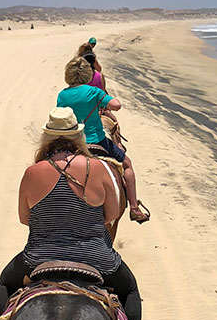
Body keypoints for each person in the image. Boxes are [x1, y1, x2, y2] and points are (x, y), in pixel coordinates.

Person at [0, 107, 149, 320]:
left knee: (5, 282)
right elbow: (111, 214)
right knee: (130, 288)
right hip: (97, 257)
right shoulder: (97, 168)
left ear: (47, 139)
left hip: (39, 256)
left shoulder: (33, 172)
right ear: (78, 137)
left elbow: (24, 219)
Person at [57, 57, 150, 224]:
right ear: (87, 75)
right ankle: (135, 208)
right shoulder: (93, 92)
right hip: (96, 141)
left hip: (71, 142)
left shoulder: (62, 95)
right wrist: (102, 100)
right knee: (127, 164)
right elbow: (116, 105)